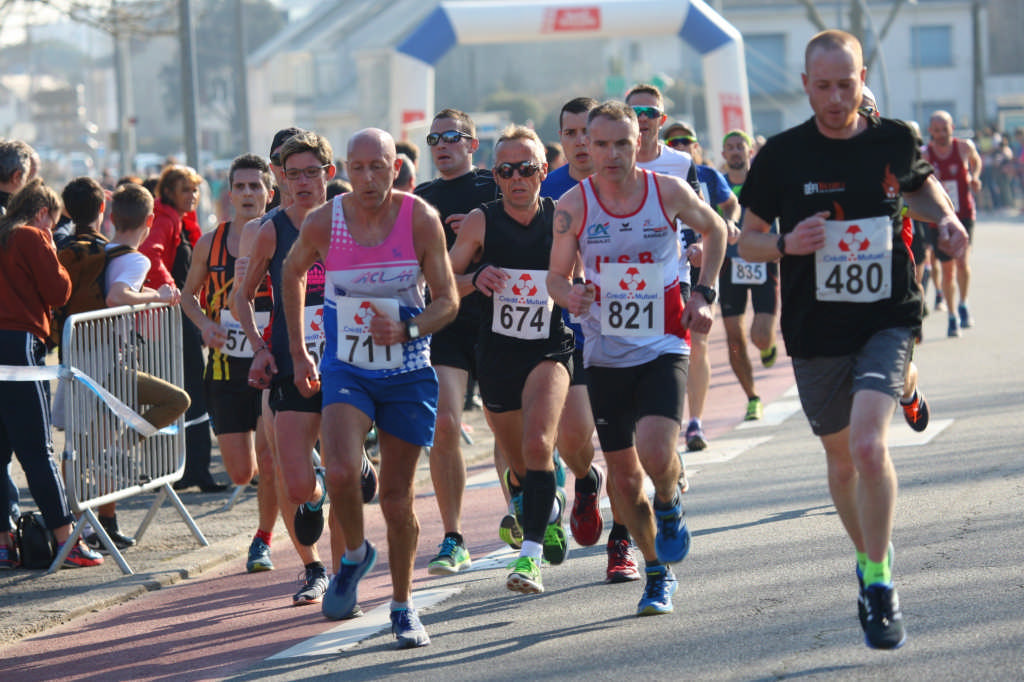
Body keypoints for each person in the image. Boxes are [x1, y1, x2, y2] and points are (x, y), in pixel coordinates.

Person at [736, 30, 968, 650]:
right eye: (824, 86)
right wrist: (786, 243)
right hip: (816, 328)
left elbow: (920, 188)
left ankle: (880, 583)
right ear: (805, 86)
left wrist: (946, 219)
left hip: (887, 314)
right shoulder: (781, 156)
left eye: (847, 84)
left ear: (863, 80)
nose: (836, 98)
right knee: (841, 461)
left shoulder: (893, 139)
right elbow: (747, 240)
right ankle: (869, 558)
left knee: (869, 446)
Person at [547, 101, 727, 616]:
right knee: (624, 481)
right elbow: (555, 277)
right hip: (605, 354)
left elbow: (715, 230)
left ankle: (668, 500)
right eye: (600, 144)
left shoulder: (666, 191)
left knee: (654, 451)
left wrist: (704, 294)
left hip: (664, 342)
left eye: (622, 143)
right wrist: (570, 294)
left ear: (640, 141)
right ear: (585, 145)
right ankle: (656, 572)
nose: (611, 154)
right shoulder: (573, 205)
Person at [282, 128, 458, 647]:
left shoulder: (419, 219)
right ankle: (355, 555)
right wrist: (299, 350)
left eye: (378, 167)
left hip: (407, 371)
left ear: (395, 168)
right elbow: (291, 273)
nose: (367, 178)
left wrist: (408, 328)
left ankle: (403, 606)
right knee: (339, 470)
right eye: (357, 168)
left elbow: (447, 300)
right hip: (348, 367)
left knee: (397, 500)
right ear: (344, 171)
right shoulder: (324, 221)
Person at [234, 130, 374, 608]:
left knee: (342, 476)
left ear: (328, 174)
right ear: (281, 178)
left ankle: (337, 578)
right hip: (290, 363)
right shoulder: (271, 230)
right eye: (292, 174)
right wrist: (259, 348)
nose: (302, 183)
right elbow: (241, 298)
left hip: (346, 362)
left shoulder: (353, 220)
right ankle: (315, 502)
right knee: (295, 482)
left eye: (312, 173)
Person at [449, 125, 581, 594]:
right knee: (521, 466)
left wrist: (579, 290)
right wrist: (475, 278)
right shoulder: (480, 221)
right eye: (506, 171)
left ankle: (529, 558)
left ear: (543, 170)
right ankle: (544, 503)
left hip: (549, 347)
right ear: (495, 175)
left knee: (539, 443)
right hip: (496, 352)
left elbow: (583, 275)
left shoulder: (562, 217)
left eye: (526, 168)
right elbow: (443, 281)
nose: (517, 178)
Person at [540, 95, 638, 583]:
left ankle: (621, 541)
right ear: (562, 139)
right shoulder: (549, 191)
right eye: (572, 134)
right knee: (574, 439)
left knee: (626, 445)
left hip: (628, 328)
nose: (582, 143)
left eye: (589, 134)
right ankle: (584, 479)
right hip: (571, 332)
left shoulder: (638, 187)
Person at [180, 153, 280, 572]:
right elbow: (188, 296)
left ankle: (263, 538)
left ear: (269, 192)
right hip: (224, 366)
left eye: (255, 186)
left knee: (269, 458)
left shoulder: (282, 236)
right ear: (229, 194)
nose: (247, 193)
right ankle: (301, 474)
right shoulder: (211, 242)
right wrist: (205, 324)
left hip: (270, 361)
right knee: (241, 473)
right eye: (240, 186)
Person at [0, 178, 103, 569]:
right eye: (53, 222)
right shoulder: (31, 236)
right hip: (20, 344)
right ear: (43, 212)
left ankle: (3, 544)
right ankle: (66, 538)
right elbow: (59, 291)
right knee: (38, 449)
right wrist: (50, 249)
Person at [82, 183, 192, 550]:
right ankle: (122, 450)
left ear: (113, 218)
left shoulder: (99, 252)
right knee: (177, 400)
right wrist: (155, 296)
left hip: (89, 359)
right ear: (149, 221)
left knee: (93, 447)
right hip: (113, 364)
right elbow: (117, 295)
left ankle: (103, 523)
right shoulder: (137, 259)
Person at [414, 109, 499, 575]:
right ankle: (453, 537)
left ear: (471, 144)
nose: (442, 146)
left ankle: (525, 508)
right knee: (444, 425)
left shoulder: (495, 185)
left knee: (505, 425)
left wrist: (483, 226)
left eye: (451, 137)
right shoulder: (421, 199)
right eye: (434, 140)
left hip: (498, 320)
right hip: (445, 323)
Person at [140, 165, 223, 492]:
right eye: (186, 189)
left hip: (181, 318)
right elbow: (150, 255)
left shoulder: (180, 220)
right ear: (169, 193)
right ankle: (185, 470)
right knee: (187, 393)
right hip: (171, 320)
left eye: (195, 189)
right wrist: (173, 291)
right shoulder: (165, 219)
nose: (193, 195)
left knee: (190, 392)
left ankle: (192, 469)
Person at [716, 128, 780, 424]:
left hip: (763, 260)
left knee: (760, 336)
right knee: (734, 338)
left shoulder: (765, 180)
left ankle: (767, 345)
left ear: (749, 152)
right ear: (723, 154)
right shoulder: (718, 185)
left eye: (740, 146)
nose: (735, 151)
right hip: (729, 265)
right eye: (730, 147)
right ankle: (752, 397)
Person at [924, 110, 982, 337]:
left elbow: (976, 161)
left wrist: (974, 176)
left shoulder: (964, 147)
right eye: (937, 130)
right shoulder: (925, 155)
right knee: (947, 270)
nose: (941, 134)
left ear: (952, 127)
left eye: (945, 129)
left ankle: (963, 303)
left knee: (962, 263)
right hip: (939, 218)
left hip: (963, 214)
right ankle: (952, 316)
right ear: (931, 131)